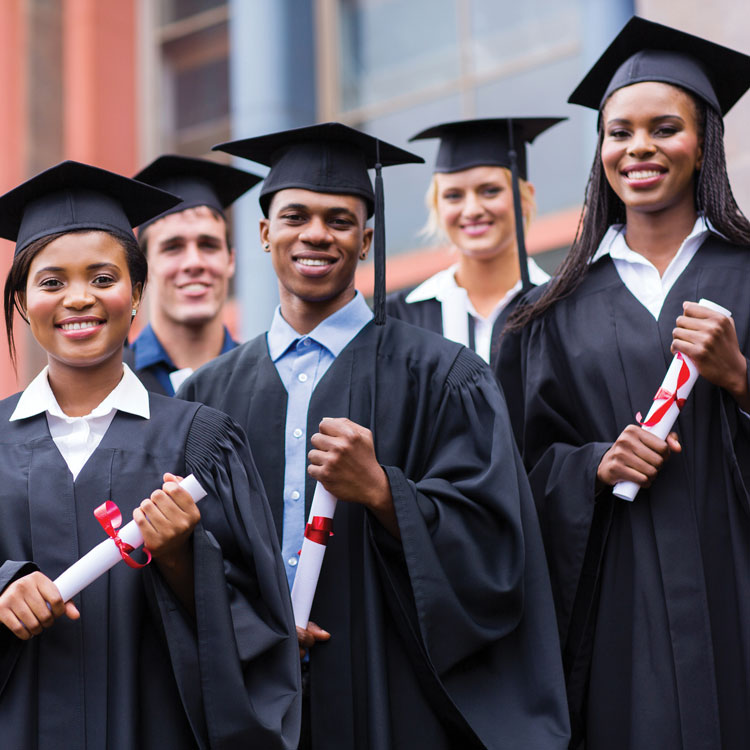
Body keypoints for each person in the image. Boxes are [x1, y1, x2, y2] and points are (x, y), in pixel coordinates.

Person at [178, 122, 569, 749]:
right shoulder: (205, 396)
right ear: (263, 233)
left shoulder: (445, 377)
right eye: (296, 216)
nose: (315, 234)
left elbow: (498, 547)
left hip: (393, 686)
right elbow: (196, 554)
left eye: (339, 220)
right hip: (256, 696)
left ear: (365, 241)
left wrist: (387, 494)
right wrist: (257, 628)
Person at [506, 17, 750, 750]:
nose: (639, 148)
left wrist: (740, 380)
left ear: (703, 140)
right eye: (619, 132)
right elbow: (518, 473)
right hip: (616, 611)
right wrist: (592, 465)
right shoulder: (544, 311)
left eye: (664, 127)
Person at [0, 160, 300, 748]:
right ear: (21, 302)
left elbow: (261, 629)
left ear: (138, 292)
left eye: (103, 278)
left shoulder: (203, 443)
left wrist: (184, 557)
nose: (79, 298)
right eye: (52, 282)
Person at [386, 117, 561, 369]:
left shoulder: (558, 305)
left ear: (525, 197)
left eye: (490, 191)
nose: (472, 210)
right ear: (437, 205)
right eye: (453, 196)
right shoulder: (401, 318)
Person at [128, 155, 260, 395]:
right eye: (173, 247)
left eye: (208, 245)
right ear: (144, 267)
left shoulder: (264, 377)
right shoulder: (113, 382)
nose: (194, 263)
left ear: (230, 260)